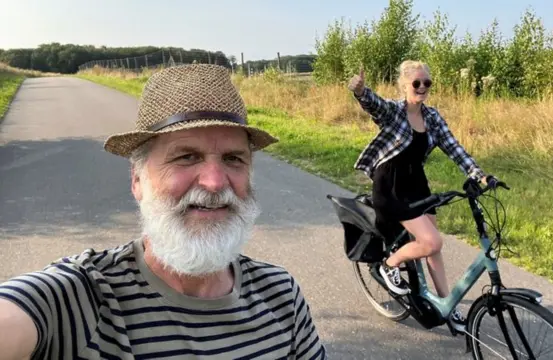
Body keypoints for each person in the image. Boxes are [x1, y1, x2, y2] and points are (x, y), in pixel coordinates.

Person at [0, 64, 326, 359]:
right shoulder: (83, 298)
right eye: (185, 157)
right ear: (138, 180)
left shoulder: (281, 294)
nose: (214, 182)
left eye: (233, 159)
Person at [348, 60, 499, 333]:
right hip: (391, 185)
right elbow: (374, 104)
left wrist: (479, 174)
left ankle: (447, 307)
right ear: (404, 85)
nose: (422, 87)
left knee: (434, 248)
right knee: (430, 241)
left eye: (426, 83)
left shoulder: (432, 117)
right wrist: (360, 91)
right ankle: (389, 265)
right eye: (416, 83)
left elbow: (455, 148)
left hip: (417, 183)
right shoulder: (395, 112)